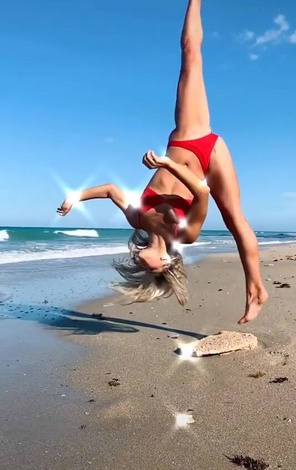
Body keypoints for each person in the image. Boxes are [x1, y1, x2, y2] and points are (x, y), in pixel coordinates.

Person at [58, 0, 268, 324]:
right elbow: (201, 192)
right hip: (204, 145)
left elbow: (113, 190)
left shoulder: (138, 221)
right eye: (150, 274)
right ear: (166, 265)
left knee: (188, 56)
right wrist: (167, 166)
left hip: (181, 139)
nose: (140, 267)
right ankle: (256, 289)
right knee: (235, 220)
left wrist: (76, 197)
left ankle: (256, 289)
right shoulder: (184, 234)